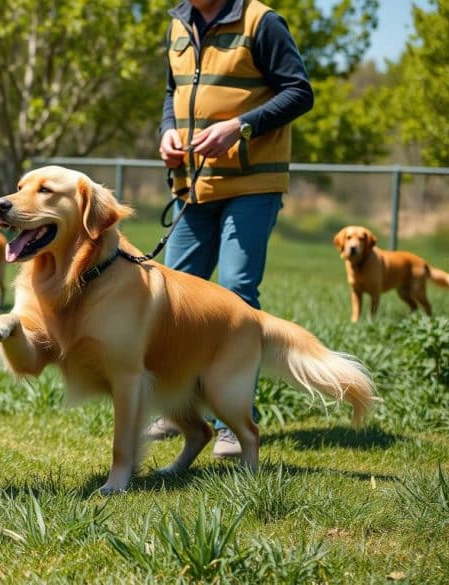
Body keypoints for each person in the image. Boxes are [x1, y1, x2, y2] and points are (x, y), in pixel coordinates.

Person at [147, 0, 314, 457]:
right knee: (172, 299)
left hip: (252, 184)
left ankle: (230, 424)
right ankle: (179, 408)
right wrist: (167, 132)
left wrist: (238, 127)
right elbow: (172, 93)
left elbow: (299, 92)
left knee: (236, 294)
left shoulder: (263, 22)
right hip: (193, 187)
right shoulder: (178, 23)